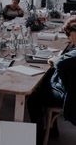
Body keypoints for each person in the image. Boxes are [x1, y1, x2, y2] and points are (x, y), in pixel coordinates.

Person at [27, 16, 76, 145]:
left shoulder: (70, 58)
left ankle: (39, 138)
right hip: (69, 88)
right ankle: (52, 129)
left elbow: (61, 64)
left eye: (69, 35)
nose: (69, 39)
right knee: (45, 81)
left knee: (33, 97)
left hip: (70, 96)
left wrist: (54, 60)